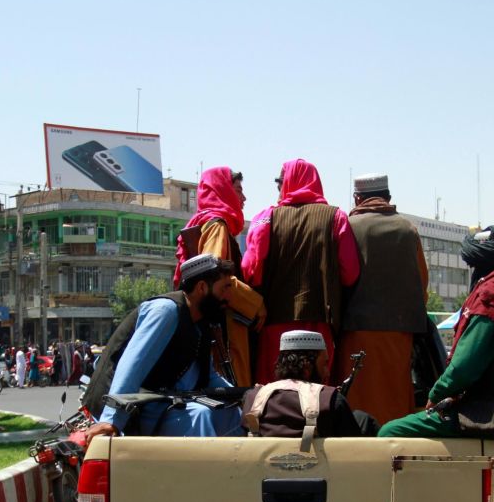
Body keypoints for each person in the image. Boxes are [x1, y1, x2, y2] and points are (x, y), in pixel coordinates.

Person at [378, 225, 494, 442]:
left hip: (491, 414)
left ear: (482, 265)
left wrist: (436, 395)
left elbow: (464, 368)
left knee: (389, 432)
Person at [82, 254, 243, 438]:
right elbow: (133, 365)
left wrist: (244, 396)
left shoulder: (200, 324)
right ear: (202, 288)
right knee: (200, 415)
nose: (229, 296)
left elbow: (208, 377)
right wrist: (111, 420)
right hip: (126, 406)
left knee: (229, 412)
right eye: (225, 288)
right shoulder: (166, 310)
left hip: (158, 403)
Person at [241, 159, 360, 384]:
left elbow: (251, 271)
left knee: (273, 394)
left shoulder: (265, 218)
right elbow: (350, 273)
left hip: (273, 325)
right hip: (320, 323)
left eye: (280, 183)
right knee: (317, 394)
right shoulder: (336, 217)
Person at [332, 173, 429, 425]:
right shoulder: (408, 229)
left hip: (355, 331)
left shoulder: (347, 227)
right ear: (388, 198)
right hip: (399, 335)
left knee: (356, 400)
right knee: (395, 402)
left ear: (357, 198)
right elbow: (423, 285)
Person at [175, 167, 265, 387]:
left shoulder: (203, 223)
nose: (243, 198)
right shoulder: (217, 226)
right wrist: (256, 303)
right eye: (237, 190)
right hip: (224, 326)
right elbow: (213, 276)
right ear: (222, 191)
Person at [242, 329, 372, 439]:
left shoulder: (252, 398)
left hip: (261, 468)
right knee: (364, 419)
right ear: (307, 367)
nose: (327, 373)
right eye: (324, 364)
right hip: (319, 467)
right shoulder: (330, 399)